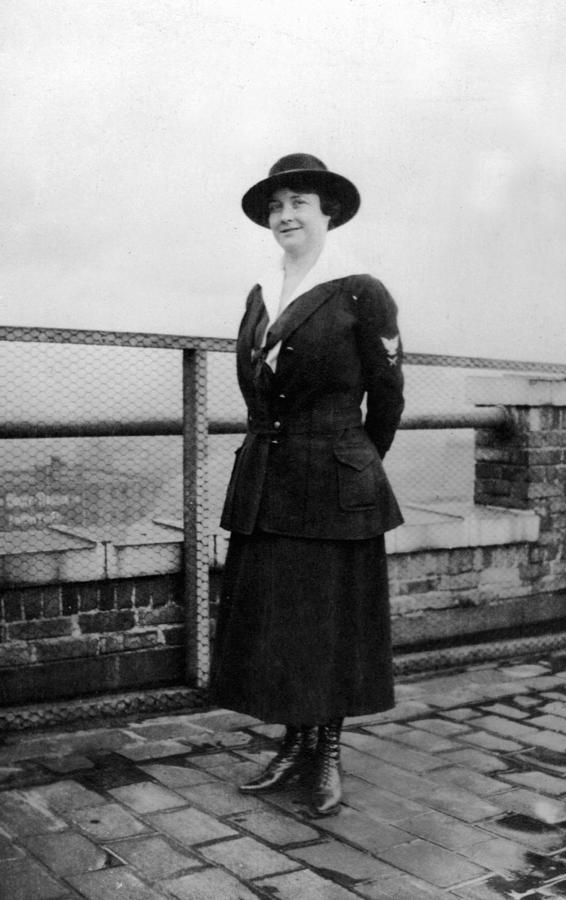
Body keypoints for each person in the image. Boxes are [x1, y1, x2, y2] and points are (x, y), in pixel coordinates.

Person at [210, 153, 404, 817]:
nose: (284, 215)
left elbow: (387, 394)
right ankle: (293, 747)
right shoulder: (261, 294)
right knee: (282, 626)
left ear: (327, 214)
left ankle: (325, 755)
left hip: (333, 488)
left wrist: (353, 462)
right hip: (268, 485)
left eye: (298, 203)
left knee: (328, 628)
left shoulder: (358, 290)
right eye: (275, 206)